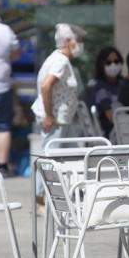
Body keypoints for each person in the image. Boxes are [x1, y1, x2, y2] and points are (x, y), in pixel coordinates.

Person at [31, 23, 86, 213]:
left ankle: (64, 196)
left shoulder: (57, 59)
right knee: (49, 158)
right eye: (80, 41)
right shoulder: (60, 61)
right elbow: (47, 86)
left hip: (61, 119)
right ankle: (41, 199)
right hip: (55, 119)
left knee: (65, 158)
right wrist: (48, 115)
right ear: (69, 41)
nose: (81, 45)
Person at [0, 0, 20, 175]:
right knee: (2, 126)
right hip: (0, 86)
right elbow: (16, 53)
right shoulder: (5, 30)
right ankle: (2, 165)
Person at [89, 47, 124, 138]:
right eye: (108, 63)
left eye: (116, 61)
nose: (113, 65)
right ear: (101, 65)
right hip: (113, 134)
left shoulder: (123, 84)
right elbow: (112, 117)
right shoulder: (100, 89)